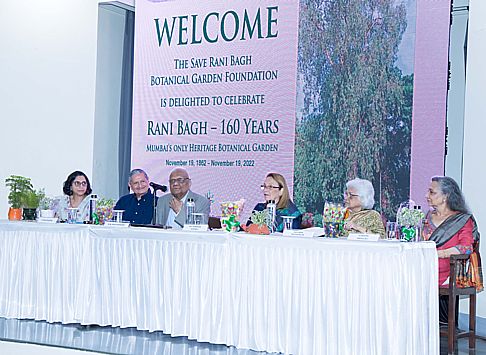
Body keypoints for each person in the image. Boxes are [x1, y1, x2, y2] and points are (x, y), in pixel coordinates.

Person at [422, 176, 482, 324]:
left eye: (432, 192)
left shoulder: (462, 219)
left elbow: (466, 248)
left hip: (449, 270)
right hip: (426, 266)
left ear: (446, 196)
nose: (426, 196)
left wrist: (438, 254)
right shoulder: (428, 217)